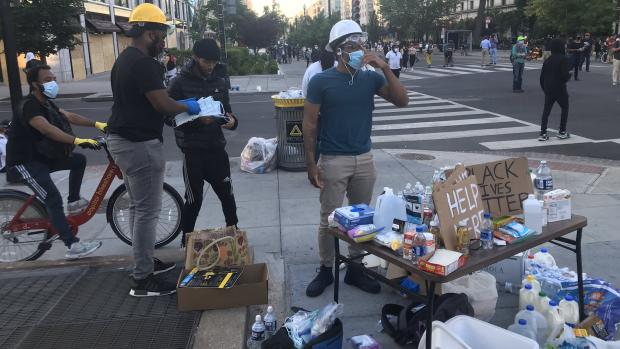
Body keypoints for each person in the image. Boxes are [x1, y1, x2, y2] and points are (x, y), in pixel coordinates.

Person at [302, 20, 409, 298]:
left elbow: (402, 100)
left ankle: (355, 267)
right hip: (334, 159)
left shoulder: (370, 77)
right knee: (330, 219)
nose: (359, 50)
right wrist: (311, 163)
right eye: (352, 46)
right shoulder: (321, 81)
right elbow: (310, 124)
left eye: (361, 44)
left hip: (364, 157)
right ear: (338, 51)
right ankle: (326, 268)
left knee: (361, 217)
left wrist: (384, 67)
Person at [106, 3, 202, 297]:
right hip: (138, 145)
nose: (163, 41)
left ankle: (144, 262)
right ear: (149, 33)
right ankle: (143, 279)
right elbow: (162, 104)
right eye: (161, 35)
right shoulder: (144, 64)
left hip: (123, 140)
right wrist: (187, 105)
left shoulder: (124, 59)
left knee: (138, 206)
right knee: (148, 210)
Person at [5, 64, 105, 259]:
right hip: (24, 163)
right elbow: (47, 129)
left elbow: (69, 116)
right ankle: (72, 245)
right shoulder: (30, 106)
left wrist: (98, 124)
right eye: (48, 80)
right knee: (52, 198)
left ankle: (74, 202)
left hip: (42, 157)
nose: (53, 83)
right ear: (35, 84)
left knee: (78, 161)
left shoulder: (46, 102)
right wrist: (78, 140)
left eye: (54, 79)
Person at [167, 39, 239, 246]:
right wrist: (197, 122)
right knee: (193, 199)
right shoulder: (179, 82)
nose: (211, 66)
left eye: (214, 62)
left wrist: (232, 122)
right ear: (196, 58)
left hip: (216, 147)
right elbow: (167, 116)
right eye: (207, 62)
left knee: (227, 194)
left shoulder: (220, 79)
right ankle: (186, 241)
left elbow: (226, 109)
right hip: (192, 151)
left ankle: (234, 235)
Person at [538, 39, 572, 141]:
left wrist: (545, 89)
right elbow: (564, 75)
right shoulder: (564, 59)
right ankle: (562, 131)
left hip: (548, 88)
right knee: (564, 108)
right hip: (560, 88)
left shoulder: (548, 60)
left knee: (546, 111)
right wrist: (569, 75)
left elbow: (542, 77)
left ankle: (543, 133)